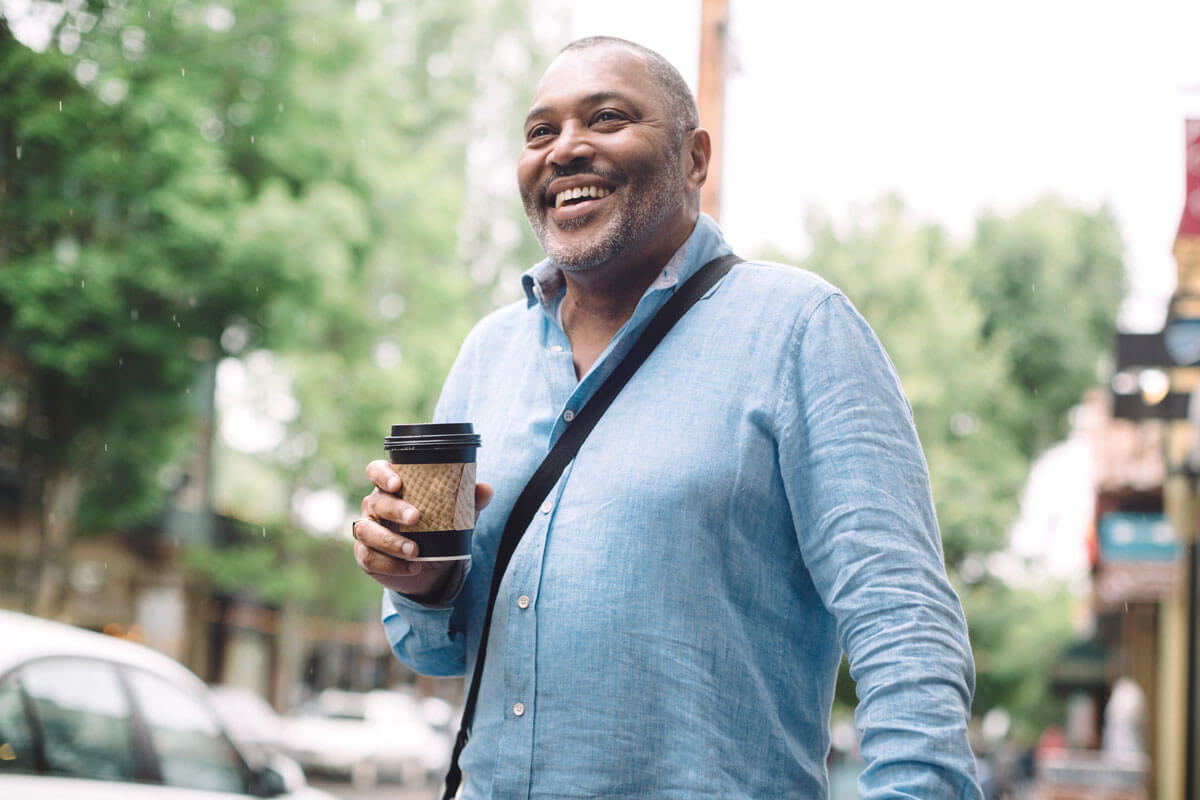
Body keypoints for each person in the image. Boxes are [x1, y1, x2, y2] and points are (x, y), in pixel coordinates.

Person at [354, 35, 982, 799]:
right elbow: (439, 653)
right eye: (540, 132)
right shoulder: (488, 354)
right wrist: (422, 583)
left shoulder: (801, 329)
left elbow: (902, 618)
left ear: (693, 157)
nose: (565, 150)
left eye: (607, 118)